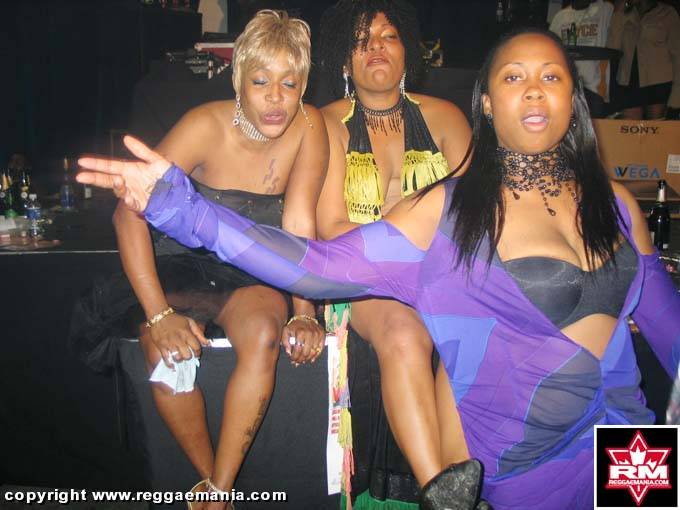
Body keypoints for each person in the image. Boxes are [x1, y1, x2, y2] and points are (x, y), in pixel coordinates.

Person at [78, 28, 680, 510]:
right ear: (487, 103)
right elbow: (313, 265)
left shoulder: (617, 205)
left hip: (633, 449)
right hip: (528, 468)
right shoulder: (447, 212)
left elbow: (668, 330)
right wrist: (180, 208)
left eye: (551, 76)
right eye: (513, 77)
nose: (533, 91)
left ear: (573, 98)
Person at [72, 10, 328, 510]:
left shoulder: (309, 124)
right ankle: (211, 484)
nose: (276, 98)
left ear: (303, 86)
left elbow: (300, 222)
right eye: (261, 81)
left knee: (264, 333)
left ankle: (219, 488)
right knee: (166, 354)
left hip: (252, 268)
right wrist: (159, 314)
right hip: (182, 265)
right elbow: (128, 215)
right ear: (238, 80)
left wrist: (304, 311)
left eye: (290, 83)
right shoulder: (203, 125)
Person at [315, 0, 471, 505]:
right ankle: (439, 490)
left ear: (408, 51)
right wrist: (410, 240)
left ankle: (468, 477)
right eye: (361, 41)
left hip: (442, 273)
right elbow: (331, 229)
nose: (375, 48)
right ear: (344, 59)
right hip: (361, 279)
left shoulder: (446, 117)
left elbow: (477, 219)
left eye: (387, 36)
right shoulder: (325, 124)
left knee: (472, 330)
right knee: (404, 333)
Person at [607, 0, 680, 119]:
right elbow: (612, 48)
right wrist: (618, 13)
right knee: (629, 128)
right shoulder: (625, 13)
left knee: (656, 128)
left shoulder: (667, 13)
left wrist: (676, 98)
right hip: (628, 82)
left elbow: (677, 56)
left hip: (658, 83)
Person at [549, 0, 614, 117]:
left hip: (594, 88)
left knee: (591, 126)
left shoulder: (604, 9)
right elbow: (550, 50)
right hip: (567, 88)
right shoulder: (560, 16)